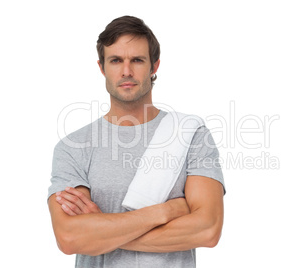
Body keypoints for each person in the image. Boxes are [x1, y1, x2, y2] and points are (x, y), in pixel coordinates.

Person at [47, 15, 225, 268]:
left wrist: (101, 230)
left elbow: (207, 230)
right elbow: (69, 237)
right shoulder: (73, 147)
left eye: (137, 60)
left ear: (154, 66)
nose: (127, 71)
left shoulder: (190, 134)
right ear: (102, 67)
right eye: (116, 60)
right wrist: (164, 212)